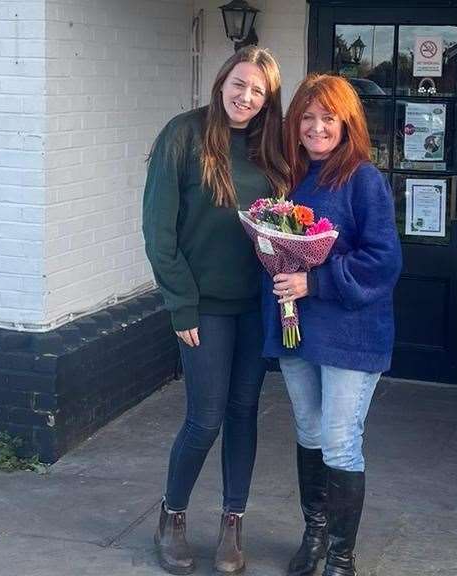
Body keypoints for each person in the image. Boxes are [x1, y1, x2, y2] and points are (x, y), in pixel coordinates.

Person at [142, 46, 289, 575]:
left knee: (244, 413)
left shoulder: (274, 148)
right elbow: (158, 233)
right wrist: (181, 305)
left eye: (258, 91)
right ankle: (172, 517)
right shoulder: (184, 135)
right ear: (222, 79)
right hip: (202, 307)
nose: (245, 97)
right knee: (204, 418)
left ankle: (233, 524)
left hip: (256, 307)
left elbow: (287, 224)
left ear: (268, 100)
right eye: (239, 83)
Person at [262, 74, 402, 576]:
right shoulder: (289, 178)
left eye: (328, 118)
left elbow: (384, 261)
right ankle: (315, 536)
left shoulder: (362, 179)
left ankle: (343, 558)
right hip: (295, 328)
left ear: (347, 123)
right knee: (309, 429)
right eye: (307, 117)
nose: (316, 127)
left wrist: (314, 283)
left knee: (341, 437)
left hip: (350, 332)